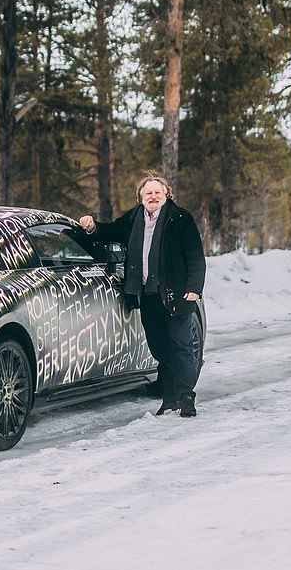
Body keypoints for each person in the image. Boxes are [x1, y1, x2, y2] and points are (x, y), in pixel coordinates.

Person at [78, 173, 206, 417]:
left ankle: (186, 396)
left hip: (176, 294)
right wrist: (93, 227)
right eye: (148, 193)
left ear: (167, 194)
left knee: (181, 346)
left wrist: (194, 288)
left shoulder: (180, 218)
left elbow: (194, 256)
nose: (153, 197)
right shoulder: (133, 218)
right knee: (160, 349)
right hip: (148, 295)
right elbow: (110, 232)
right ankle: (169, 399)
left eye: (157, 192)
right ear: (141, 197)